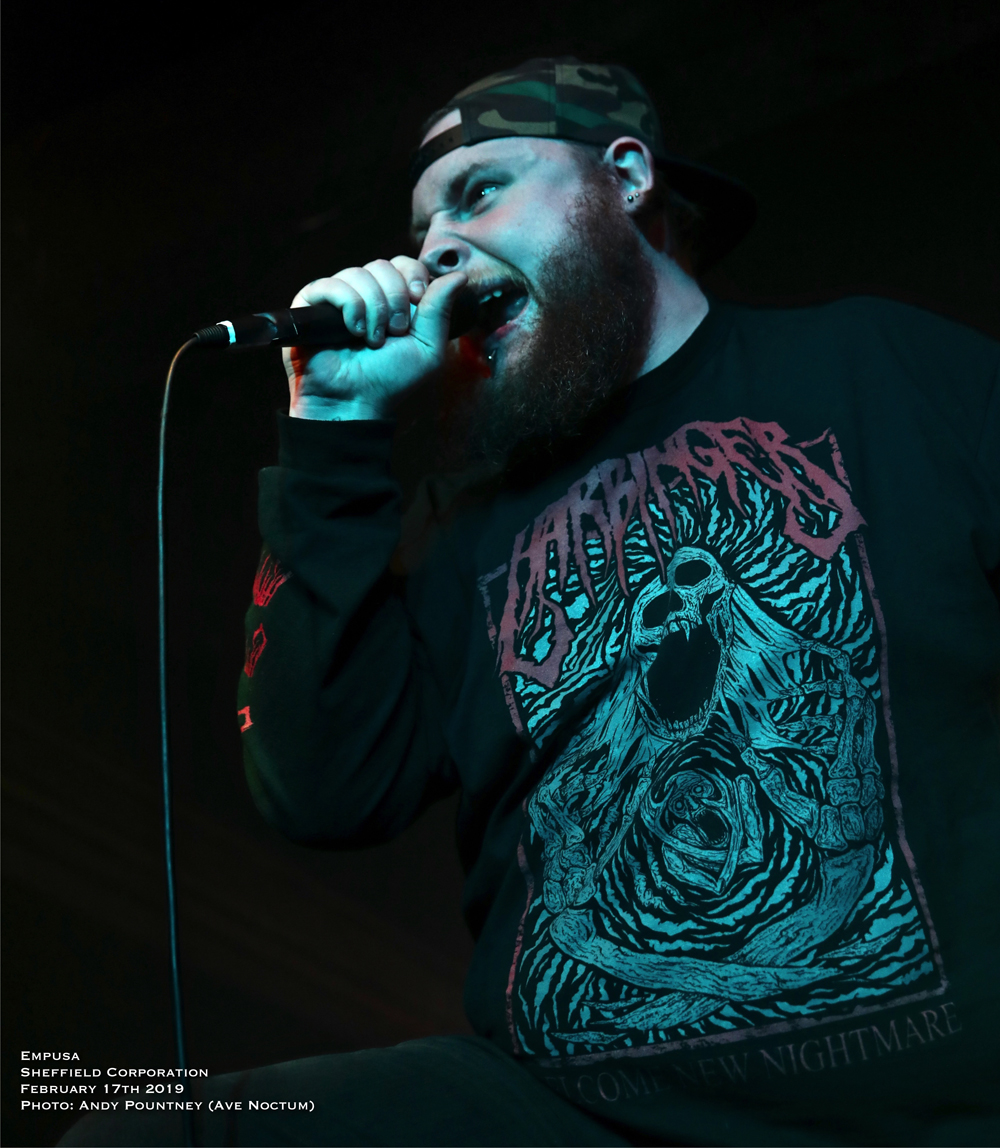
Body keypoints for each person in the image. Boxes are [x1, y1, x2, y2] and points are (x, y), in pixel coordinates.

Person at [64, 56, 998, 1148]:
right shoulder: (457, 527)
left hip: (930, 1103)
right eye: (422, 229)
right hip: (571, 1115)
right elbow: (323, 789)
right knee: (139, 1135)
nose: (436, 251)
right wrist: (333, 432)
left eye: (479, 192)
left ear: (626, 177)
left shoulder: (881, 366)